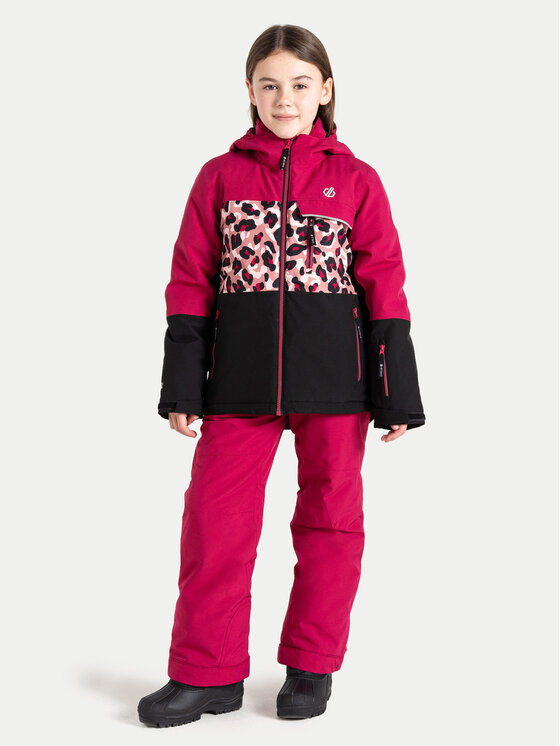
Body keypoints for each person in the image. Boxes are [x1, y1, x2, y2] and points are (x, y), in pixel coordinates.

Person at [138, 23, 425, 727]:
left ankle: (311, 666)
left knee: (330, 523)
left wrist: (396, 393)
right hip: (238, 383)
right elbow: (190, 282)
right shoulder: (220, 177)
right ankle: (207, 674)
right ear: (249, 91)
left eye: (299, 84)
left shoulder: (357, 180)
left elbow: (385, 286)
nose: (284, 99)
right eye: (269, 85)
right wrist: (183, 385)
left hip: (336, 385)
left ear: (325, 90)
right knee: (214, 523)